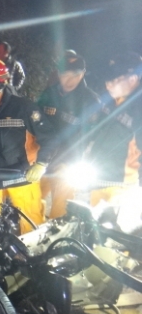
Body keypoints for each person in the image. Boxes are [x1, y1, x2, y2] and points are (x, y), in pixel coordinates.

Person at [0, 58, 56, 233]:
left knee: (31, 226)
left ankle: (29, 250)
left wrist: (41, 164)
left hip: (23, 177)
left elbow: (50, 137)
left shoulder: (24, 108)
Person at [37, 53, 102, 218]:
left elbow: (93, 136)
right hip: (42, 159)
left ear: (83, 73)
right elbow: (34, 120)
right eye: (65, 74)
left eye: (75, 74)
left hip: (67, 162)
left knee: (61, 210)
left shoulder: (90, 101)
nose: (69, 79)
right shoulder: (49, 93)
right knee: (31, 202)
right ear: (58, 73)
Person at [83, 51, 142, 207]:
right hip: (98, 178)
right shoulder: (110, 101)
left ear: (133, 79)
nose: (108, 85)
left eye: (114, 80)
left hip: (124, 188)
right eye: (108, 80)